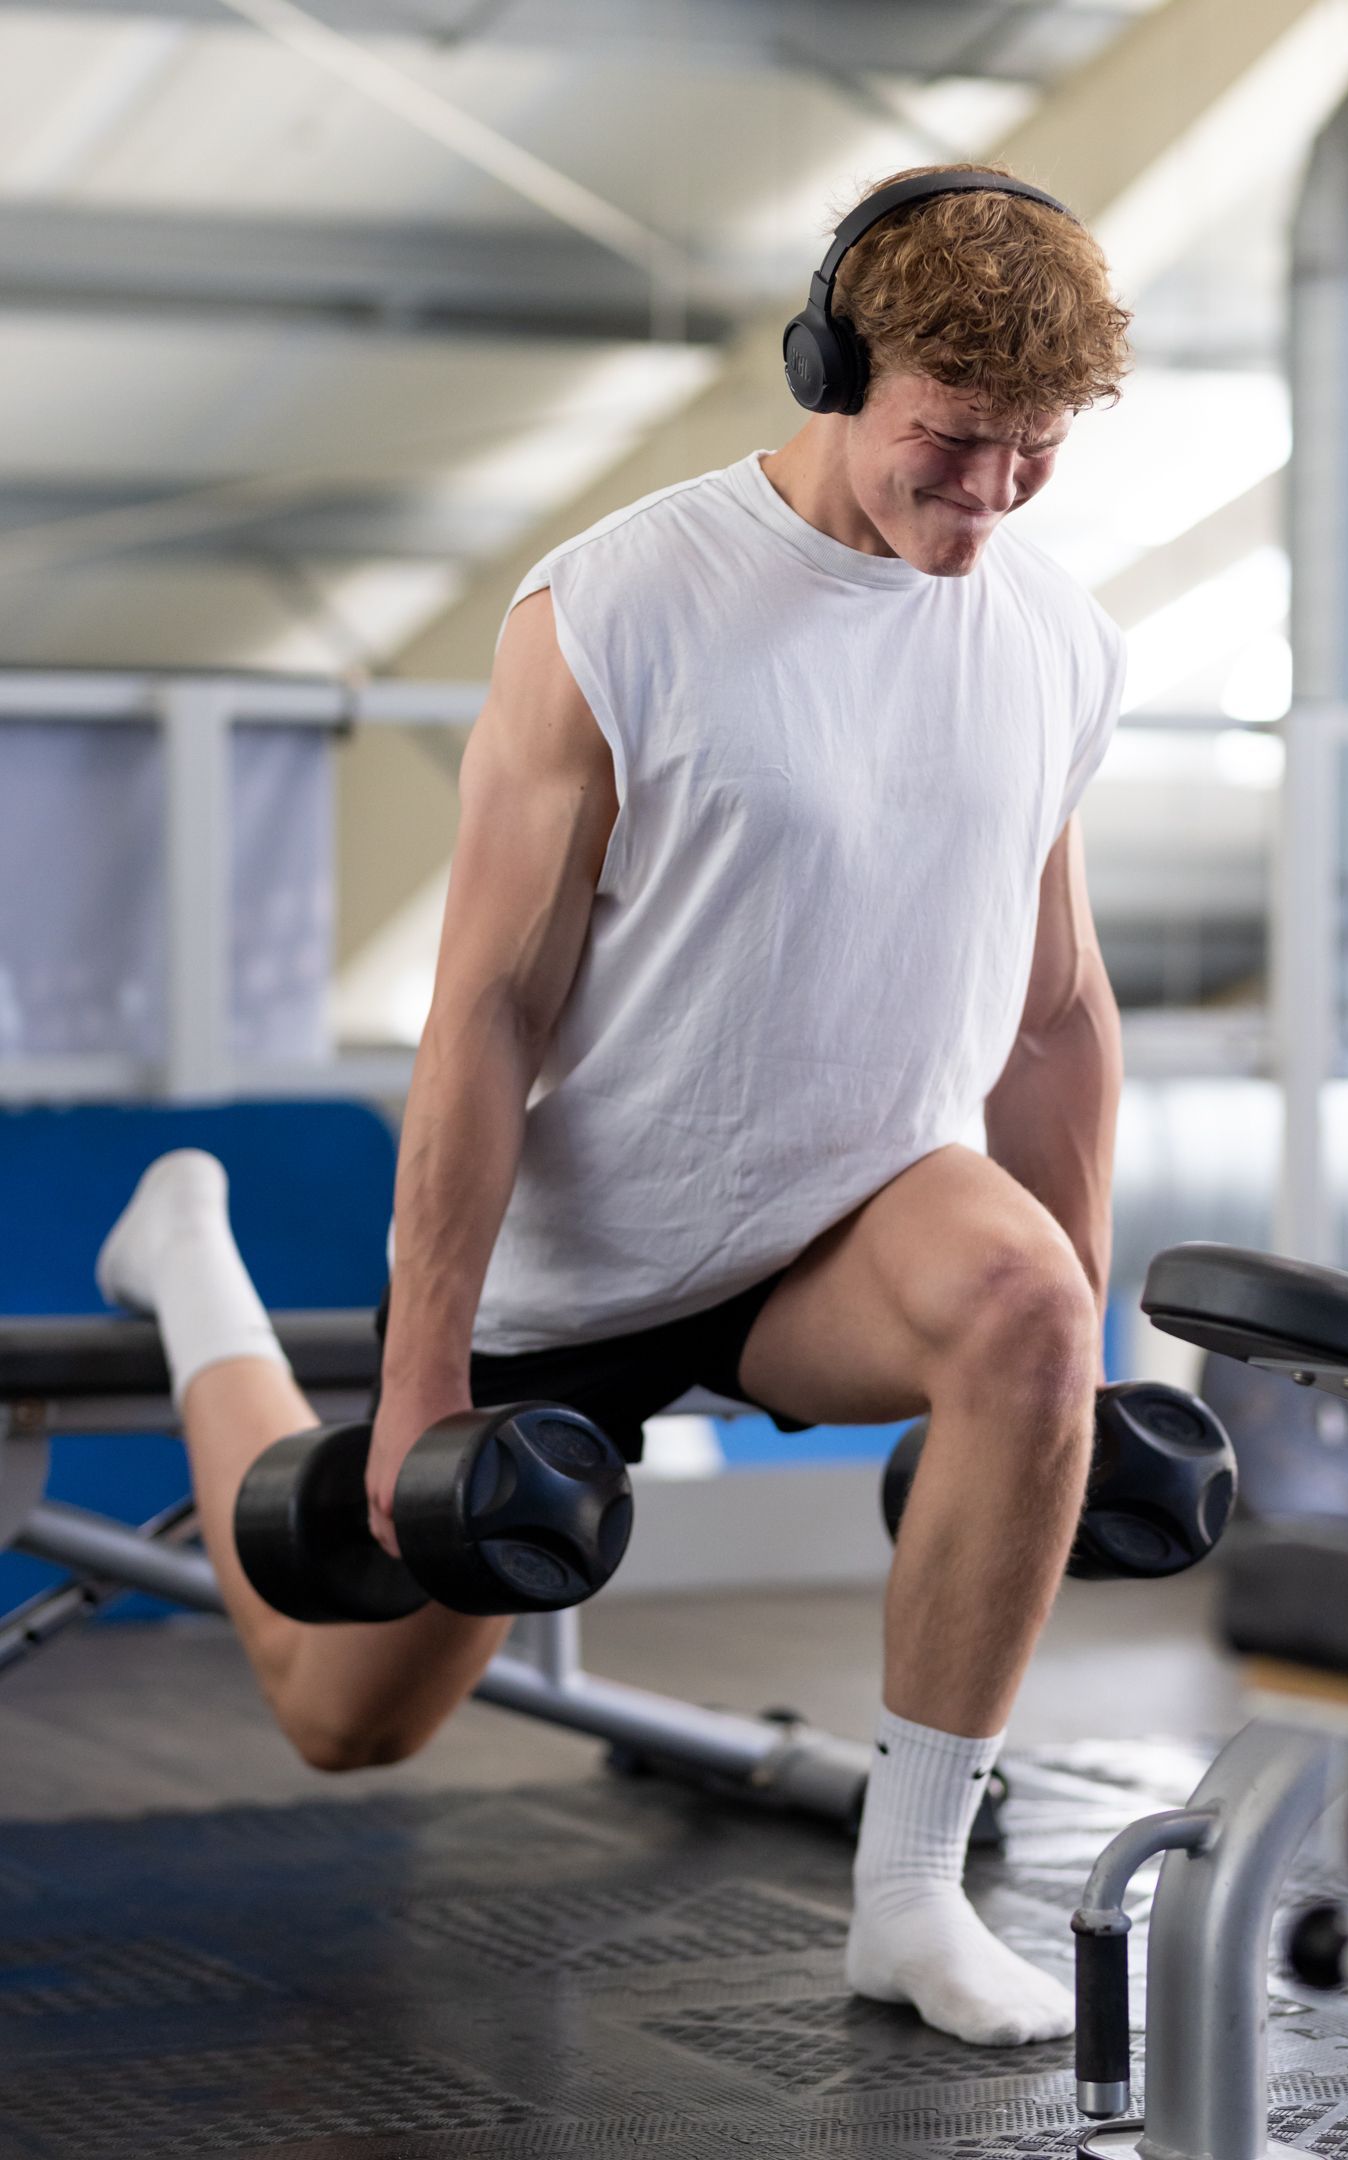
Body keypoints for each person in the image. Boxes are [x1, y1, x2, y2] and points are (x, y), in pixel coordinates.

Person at [96, 160, 1132, 2050]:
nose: (988, 499)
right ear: (837, 365)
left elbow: (1056, 1013)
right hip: (584, 1266)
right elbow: (485, 1015)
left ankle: (908, 1901)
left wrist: (1093, 1347)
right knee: (344, 1722)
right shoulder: (620, 608)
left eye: (1035, 455)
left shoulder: (1053, 638)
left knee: (1030, 1310)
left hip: (854, 1220)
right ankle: (187, 1265)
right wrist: (419, 1395)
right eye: (951, 441)